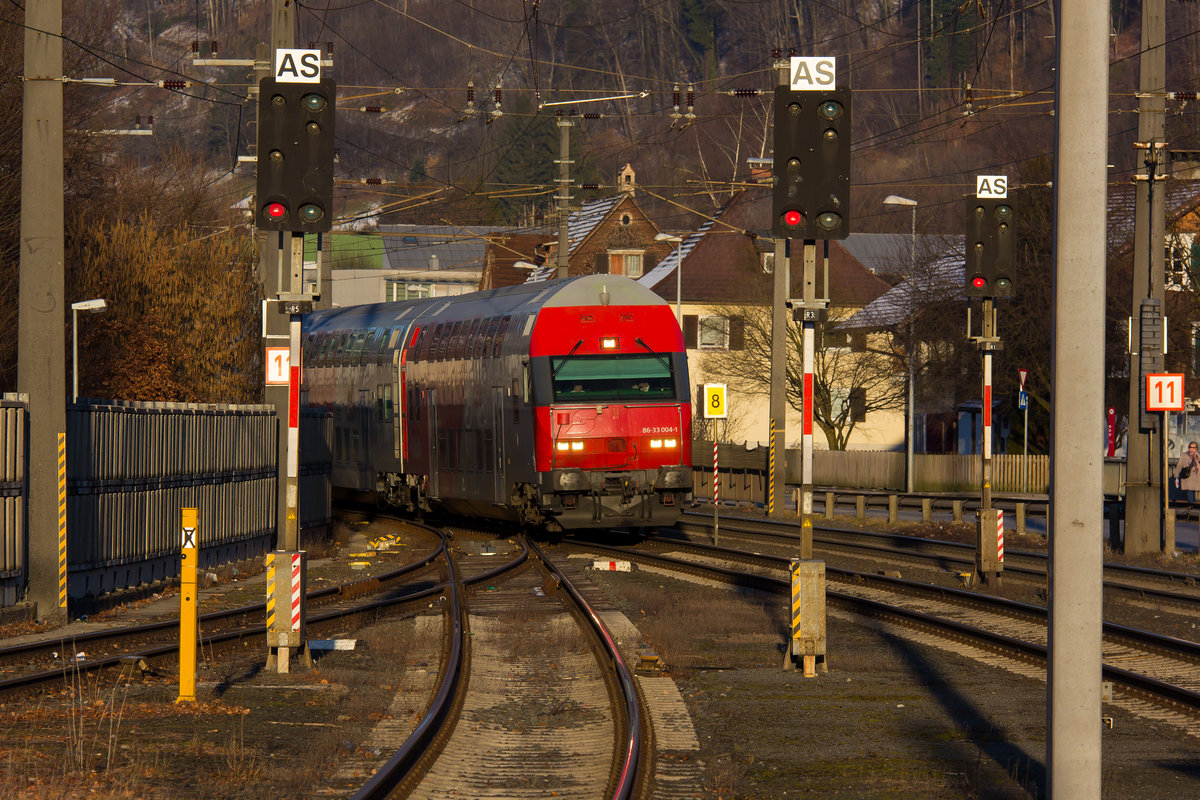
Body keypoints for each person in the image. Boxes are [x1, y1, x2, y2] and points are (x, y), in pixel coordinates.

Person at [1174, 441, 1200, 510]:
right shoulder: (1184, 455)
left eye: (1193, 447)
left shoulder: (1198, 456)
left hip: (1197, 476)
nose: (1191, 449)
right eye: (1190, 447)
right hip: (1188, 476)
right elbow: (1179, 466)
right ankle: (1191, 504)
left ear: (1196, 449)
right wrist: (1176, 476)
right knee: (1189, 490)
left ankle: (1192, 504)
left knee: (1193, 490)